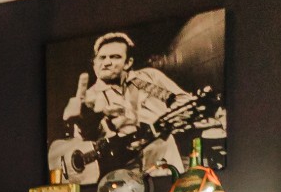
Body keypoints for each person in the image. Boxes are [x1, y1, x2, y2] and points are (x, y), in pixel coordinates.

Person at [54, 32, 190, 179]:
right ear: (94, 64)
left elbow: (184, 101)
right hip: (122, 178)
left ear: (128, 63)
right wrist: (81, 121)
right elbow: (82, 145)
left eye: (115, 57)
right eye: (102, 58)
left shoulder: (149, 77)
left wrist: (164, 120)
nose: (106, 63)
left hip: (165, 166)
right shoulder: (89, 98)